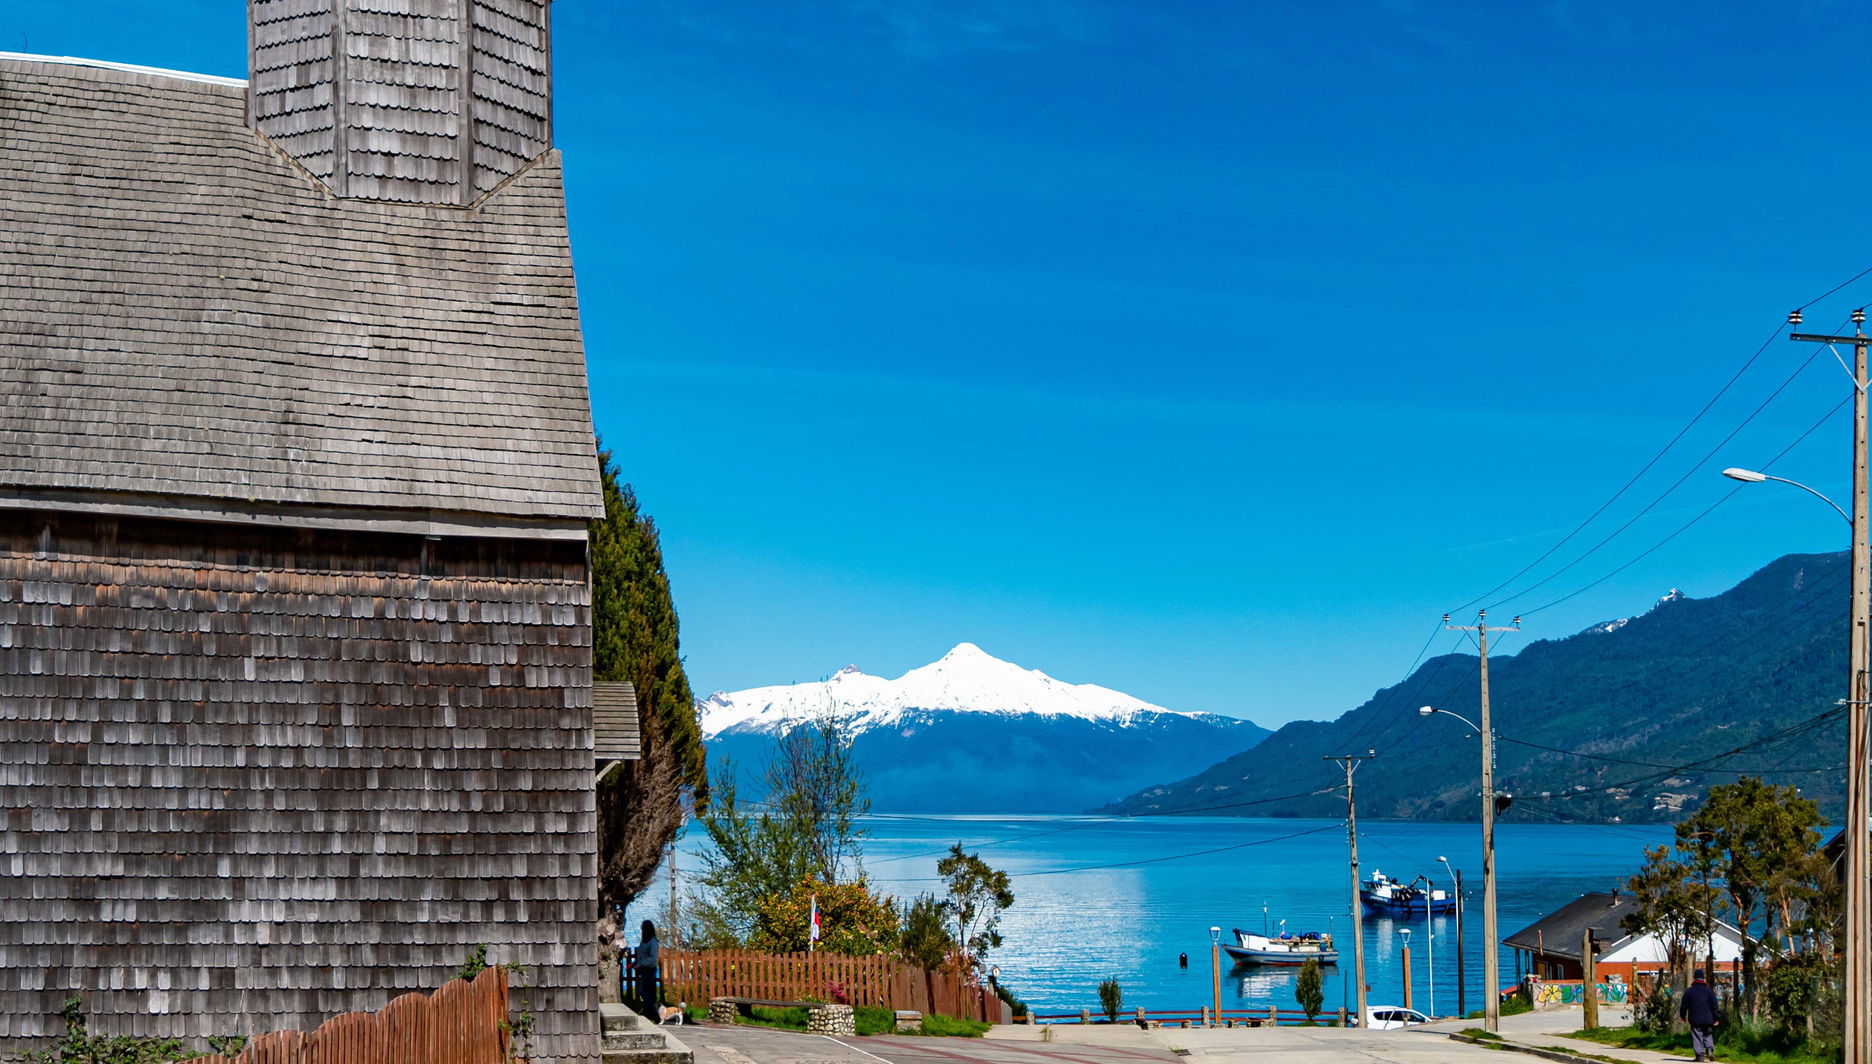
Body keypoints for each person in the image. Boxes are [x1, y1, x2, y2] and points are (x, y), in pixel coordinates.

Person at [1678, 968, 1722, 1062]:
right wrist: (1717, 1018)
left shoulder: (1689, 991)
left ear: (1694, 978)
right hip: (1708, 1019)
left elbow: (1684, 1005)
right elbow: (1715, 1005)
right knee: (1708, 1034)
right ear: (1703, 979)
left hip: (1695, 1019)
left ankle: (1699, 1056)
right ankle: (1709, 1049)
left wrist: (1683, 1016)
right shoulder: (1709, 991)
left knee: (1697, 1036)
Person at [633, 920, 661, 1017]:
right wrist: (636, 963)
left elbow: (653, 958)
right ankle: (649, 1011)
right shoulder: (643, 941)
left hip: (650, 970)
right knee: (646, 991)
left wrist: (641, 964)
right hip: (643, 969)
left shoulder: (653, 941)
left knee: (645, 991)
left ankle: (651, 1010)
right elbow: (641, 954)